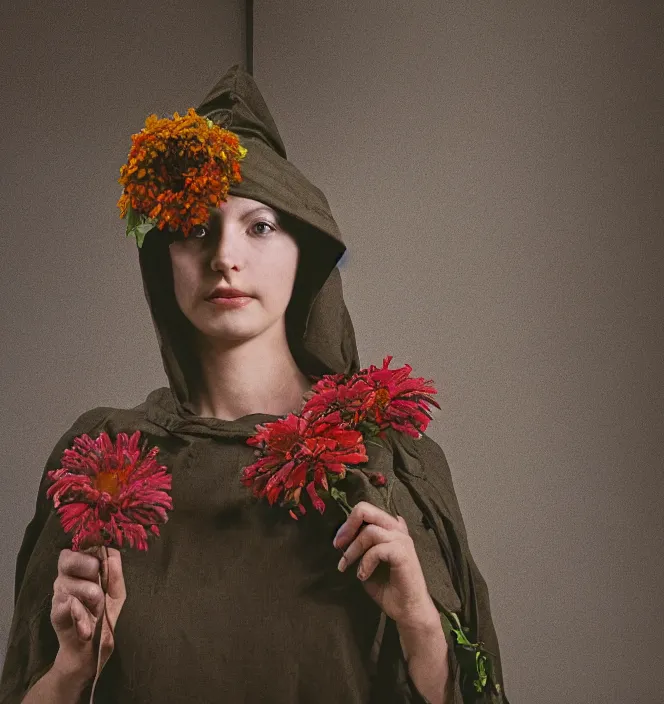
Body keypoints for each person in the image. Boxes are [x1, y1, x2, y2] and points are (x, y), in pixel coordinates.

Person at [0, 64, 509, 703]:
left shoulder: (385, 464)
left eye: (260, 225)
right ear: (164, 260)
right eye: (193, 228)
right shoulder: (99, 462)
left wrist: (421, 627)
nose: (224, 257)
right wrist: (73, 667)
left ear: (306, 251)